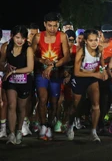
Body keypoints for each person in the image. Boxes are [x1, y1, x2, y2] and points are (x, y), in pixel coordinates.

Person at [32, 12, 70, 140]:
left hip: (56, 74)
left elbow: (67, 57)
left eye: (55, 26)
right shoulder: (38, 37)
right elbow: (31, 55)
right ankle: (43, 126)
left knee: (54, 103)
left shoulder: (63, 36)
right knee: (42, 99)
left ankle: (49, 125)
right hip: (41, 74)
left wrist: (52, 65)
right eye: (50, 26)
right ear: (44, 24)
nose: (53, 29)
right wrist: (42, 61)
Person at [67, 29, 108, 142]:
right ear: (85, 41)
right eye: (91, 40)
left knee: (96, 105)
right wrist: (96, 74)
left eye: (96, 40)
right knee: (76, 105)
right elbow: (76, 72)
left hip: (92, 79)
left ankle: (93, 132)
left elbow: (102, 63)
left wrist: (103, 71)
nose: (94, 43)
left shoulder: (99, 49)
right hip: (80, 79)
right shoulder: (81, 52)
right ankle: (70, 124)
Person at [1, 25, 34, 144]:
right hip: (11, 82)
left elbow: (30, 68)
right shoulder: (6, 47)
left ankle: (19, 130)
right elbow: (1, 63)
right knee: (11, 105)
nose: (20, 41)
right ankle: (11, 133)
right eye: (17, 37)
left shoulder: (28, 49)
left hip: (24, 82)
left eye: (23, 38)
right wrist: (6, 67)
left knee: (21, 108)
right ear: (12, 36)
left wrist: (14, 71)